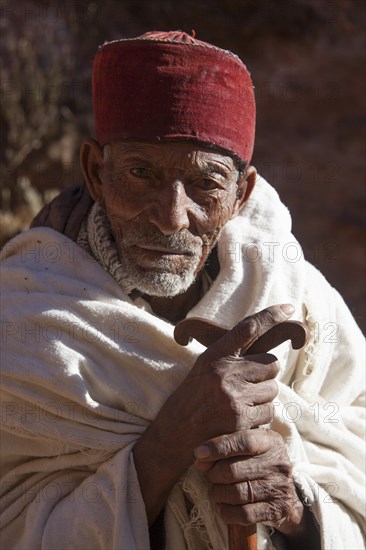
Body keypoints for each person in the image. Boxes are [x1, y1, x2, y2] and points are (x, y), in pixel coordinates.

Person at [0, 31, 364, 550]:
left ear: (242, 194)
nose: (172, 218)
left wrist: (294, 508)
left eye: (206, 184)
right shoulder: (22, 318)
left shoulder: (294, 290)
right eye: (141, 173)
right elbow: (13, 523)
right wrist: (170, 441)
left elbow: (358, 458)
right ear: (96, 173)